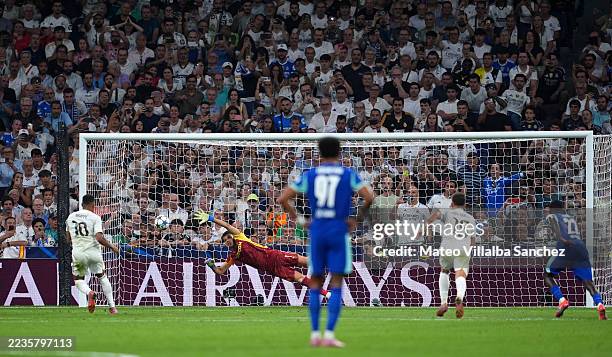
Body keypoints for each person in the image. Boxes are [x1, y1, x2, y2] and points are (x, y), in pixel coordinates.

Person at [277, 137, 374, 348]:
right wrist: (356, 219)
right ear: (339, 152)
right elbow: (369, 196)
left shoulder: (310, 174)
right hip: (339, 230)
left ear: (319, 152)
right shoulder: (347, 174)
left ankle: (314, 334)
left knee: (315, 282)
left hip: (318, 230)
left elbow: (283, 198)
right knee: (337, 282)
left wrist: (301, 220)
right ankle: (329, 334)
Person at [193, 211, 330, 298]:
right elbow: (221, 271)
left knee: (308, 261)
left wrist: (211, 218)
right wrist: (211, 265)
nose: (227, 241)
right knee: (301, 279)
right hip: (273, 268)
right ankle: (326, 294)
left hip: (276, 255)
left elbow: (228, 227)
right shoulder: (233, 256)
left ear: (232, 237)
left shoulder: (240, 237)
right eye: (224, 241)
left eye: (228, 238)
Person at [543, 200, 607, 320]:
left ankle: (562, 300)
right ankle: (599, 304)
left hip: (566, 246)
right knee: (588, 281)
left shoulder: (552, 215)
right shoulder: (570, 217)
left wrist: (561, 239)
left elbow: (554, 224)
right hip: (580, 247)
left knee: (548, 274)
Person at [66, 194, 120, 314]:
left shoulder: (70, 217)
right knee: (102, 276)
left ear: (81, 204)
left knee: (78, 279)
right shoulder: (95, 217)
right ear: (92, 205)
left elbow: (68, 239)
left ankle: (89, 292)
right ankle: (112, 307)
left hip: (79, 254)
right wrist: (112, 246)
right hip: (94, 253)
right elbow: (99, 237)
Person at [427, 192, 476, 319]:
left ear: (452, 203)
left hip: (447, 246)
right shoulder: (471, 218)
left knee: (444, 271)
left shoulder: (448, 212)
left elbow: (434, 216)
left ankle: (444, 303)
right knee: (460, 273)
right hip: (463, 247)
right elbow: (472, 240)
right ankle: (459, 297)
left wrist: (427, 224)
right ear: (465, 204)